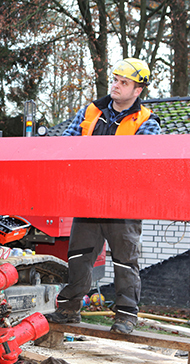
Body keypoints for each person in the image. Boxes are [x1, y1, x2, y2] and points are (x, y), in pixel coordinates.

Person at [45, 58, 161, 334]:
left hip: (124, 203)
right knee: (79, 257)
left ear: (138, 90)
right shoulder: (90, 113)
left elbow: (142, 161)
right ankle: (68, 308)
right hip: (88, 200)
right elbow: (68, 147)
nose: (116, 86)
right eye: (115, 80)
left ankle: (126, 315)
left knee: (125, 259)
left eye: (124, 82)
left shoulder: (147, 122)